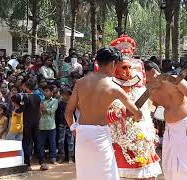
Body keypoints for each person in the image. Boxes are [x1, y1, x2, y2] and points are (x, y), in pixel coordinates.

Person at [65, 46, 142, 180]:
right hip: (100, 134)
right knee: (106, 174)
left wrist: (73, 128)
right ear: (113, 64)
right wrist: (137, 116)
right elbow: (136, 111)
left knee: (85, 174)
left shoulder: (80, 82)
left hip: (82, 133)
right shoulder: (114, 87)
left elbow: (68, 112)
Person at [108, 35, 162, 179]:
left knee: (150, 176)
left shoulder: (140, 89)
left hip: (142, 140)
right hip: (119, 140)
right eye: (124, 67)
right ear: (116, 70)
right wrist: (122, 113)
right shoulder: (108, 89)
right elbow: (102, 115)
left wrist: (150, 129)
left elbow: (149, 110)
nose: (128, 71)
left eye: (130, 67)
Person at [144, 60, 187, 180]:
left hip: (186, 125)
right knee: (169, 163)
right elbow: (151, 111)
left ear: (153, 71)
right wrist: (148, 127)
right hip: (169, 128)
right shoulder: (151, 91)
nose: (144, 79)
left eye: (145, 75)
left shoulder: (176, 80)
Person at [16, 78, 41, 171]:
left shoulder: (25, 97)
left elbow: (21, 109)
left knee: (26, 143)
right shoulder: (38, 97)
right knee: (38, 142)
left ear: (26, 87)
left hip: (27, 123)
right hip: (36, 122)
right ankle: (42, 162)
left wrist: (16, 109)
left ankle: (28, 164)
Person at [38, 85, 59, 170]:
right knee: (41, 144)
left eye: (47, 91)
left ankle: (53, 159)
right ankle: (42, 160)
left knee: (52, 143)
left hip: (51, 125)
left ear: (51, 92)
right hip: (41, 125)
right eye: (44, 91)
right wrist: (45, 109)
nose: (45, 93)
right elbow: (40, 111)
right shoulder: (41, 101)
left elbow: (52, 110)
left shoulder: (55, 101)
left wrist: (44, 109)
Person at [56, 89, 74, 164]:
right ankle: (61, 157)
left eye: (67, 95)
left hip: (70, 124)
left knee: (71, 141)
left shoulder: (72, 103)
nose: (65, 96)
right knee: (61, 141)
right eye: (63, 94)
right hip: (62, 123)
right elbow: (57, 115)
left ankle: (70, 157)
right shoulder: (60, 103)